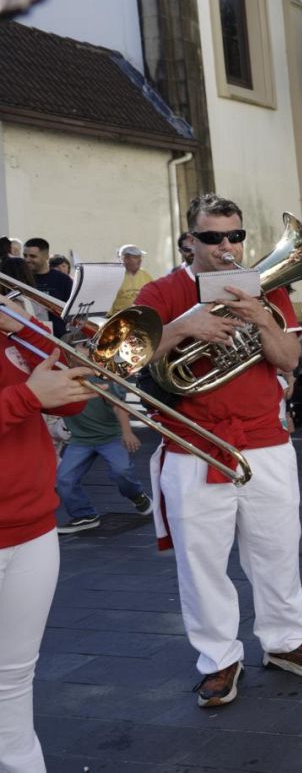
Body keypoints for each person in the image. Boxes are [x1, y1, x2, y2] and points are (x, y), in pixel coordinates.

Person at [136, 192, 302, 708]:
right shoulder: (163, 290)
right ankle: (219, 659)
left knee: (277, 548)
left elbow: (290, 360)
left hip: (266, 442)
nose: (227, 247)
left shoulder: (261, 287)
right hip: (193, 445)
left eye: (236, 236)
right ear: (189, 240)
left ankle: (286, 641)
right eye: (212, 237)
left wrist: (264, 319)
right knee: (201, 564)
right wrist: (183, 328)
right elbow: (124, 358)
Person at [0, 298, 89, 772]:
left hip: (32, 525)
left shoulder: (9, 327)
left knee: (15, 678)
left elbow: (73, 398)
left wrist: (28, 329)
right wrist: (26, 398)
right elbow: (31, 399)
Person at [54, 373, 150, 533]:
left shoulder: (103, 377)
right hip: (80, 439)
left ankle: (137, 495)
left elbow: (118, 406)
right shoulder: (61, 376)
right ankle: (85, 515)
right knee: (65, 479)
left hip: (110, 437)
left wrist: (127, 432)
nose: (81, 350)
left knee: (122, 471)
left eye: (85, 347)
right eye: (77, 347)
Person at [22, 238, 72, 338]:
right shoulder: (21, 278)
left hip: (58, 337)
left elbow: (71, 310)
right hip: (28, 334)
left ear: (46, 257)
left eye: (32, 256)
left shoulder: (63, 280)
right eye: (25, 255)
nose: (27, 260)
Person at [110, 244, 154, 315]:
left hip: (141, 315)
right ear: (124, 259)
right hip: (119, 317)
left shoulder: (145, 275)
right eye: (136, 257)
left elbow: (153, 295)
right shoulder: (114, 276)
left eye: (140, 257)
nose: (140, 260)